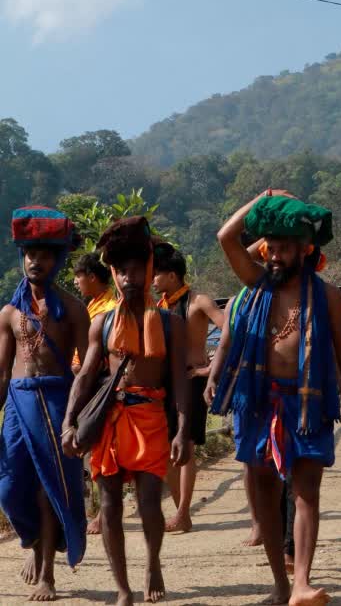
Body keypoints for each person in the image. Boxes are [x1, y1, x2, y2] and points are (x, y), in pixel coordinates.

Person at [206, 191, 341, 605]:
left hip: (307, 405)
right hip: (258, 402)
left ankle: (301, 583)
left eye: (283, 249)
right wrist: (262, 199)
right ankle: (280, 581)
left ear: (303, 250)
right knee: (265, 496)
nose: (274, 256)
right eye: (269, 248)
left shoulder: (327, 295)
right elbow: (226, 237)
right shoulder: (256, 284)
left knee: (306, 492)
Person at [62, 216, 191, 606]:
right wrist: (69, 420)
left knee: (150, 501)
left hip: (150, 417)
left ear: (149, 270)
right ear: (113, 274)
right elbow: (86, 375)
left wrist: (183, 430)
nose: (128, 278)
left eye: (136, 269)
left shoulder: (170, 324)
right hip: (111, 421)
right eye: (121, 271)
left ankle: (153, 562)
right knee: (110, 505)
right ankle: (122, 586)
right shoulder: (101, 323)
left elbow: (181, 382)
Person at [0, 207, 89, 602]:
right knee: (9, 487)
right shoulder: (9, 313)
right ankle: (35, 540)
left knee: (48, 488)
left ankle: (47, 573)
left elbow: (88, 370)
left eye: (45, 254)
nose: (36, 261)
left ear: (58, 260)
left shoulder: (72, 308)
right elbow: (2, 373)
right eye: (30, 254)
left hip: (56, 402)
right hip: (17, 406)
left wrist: (78, 420)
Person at [151, 243, 226, 534]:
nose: (153, 280)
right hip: (166, 384)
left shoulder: (198, 301)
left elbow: (228, 329)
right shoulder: (159, 307)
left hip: (192, 382)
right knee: (166, 448)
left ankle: (183, 512)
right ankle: (182, 510)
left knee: (187, 447)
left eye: (157, 274)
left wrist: (209, 369)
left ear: (172, 275)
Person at [71, 251, 118, 537]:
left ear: (91, 277)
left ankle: (102, 514)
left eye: (78, 277)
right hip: (87, 383)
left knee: (101, 450)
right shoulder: (94, 305)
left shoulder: (107, 308)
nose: (75, 282)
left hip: (99, 386)